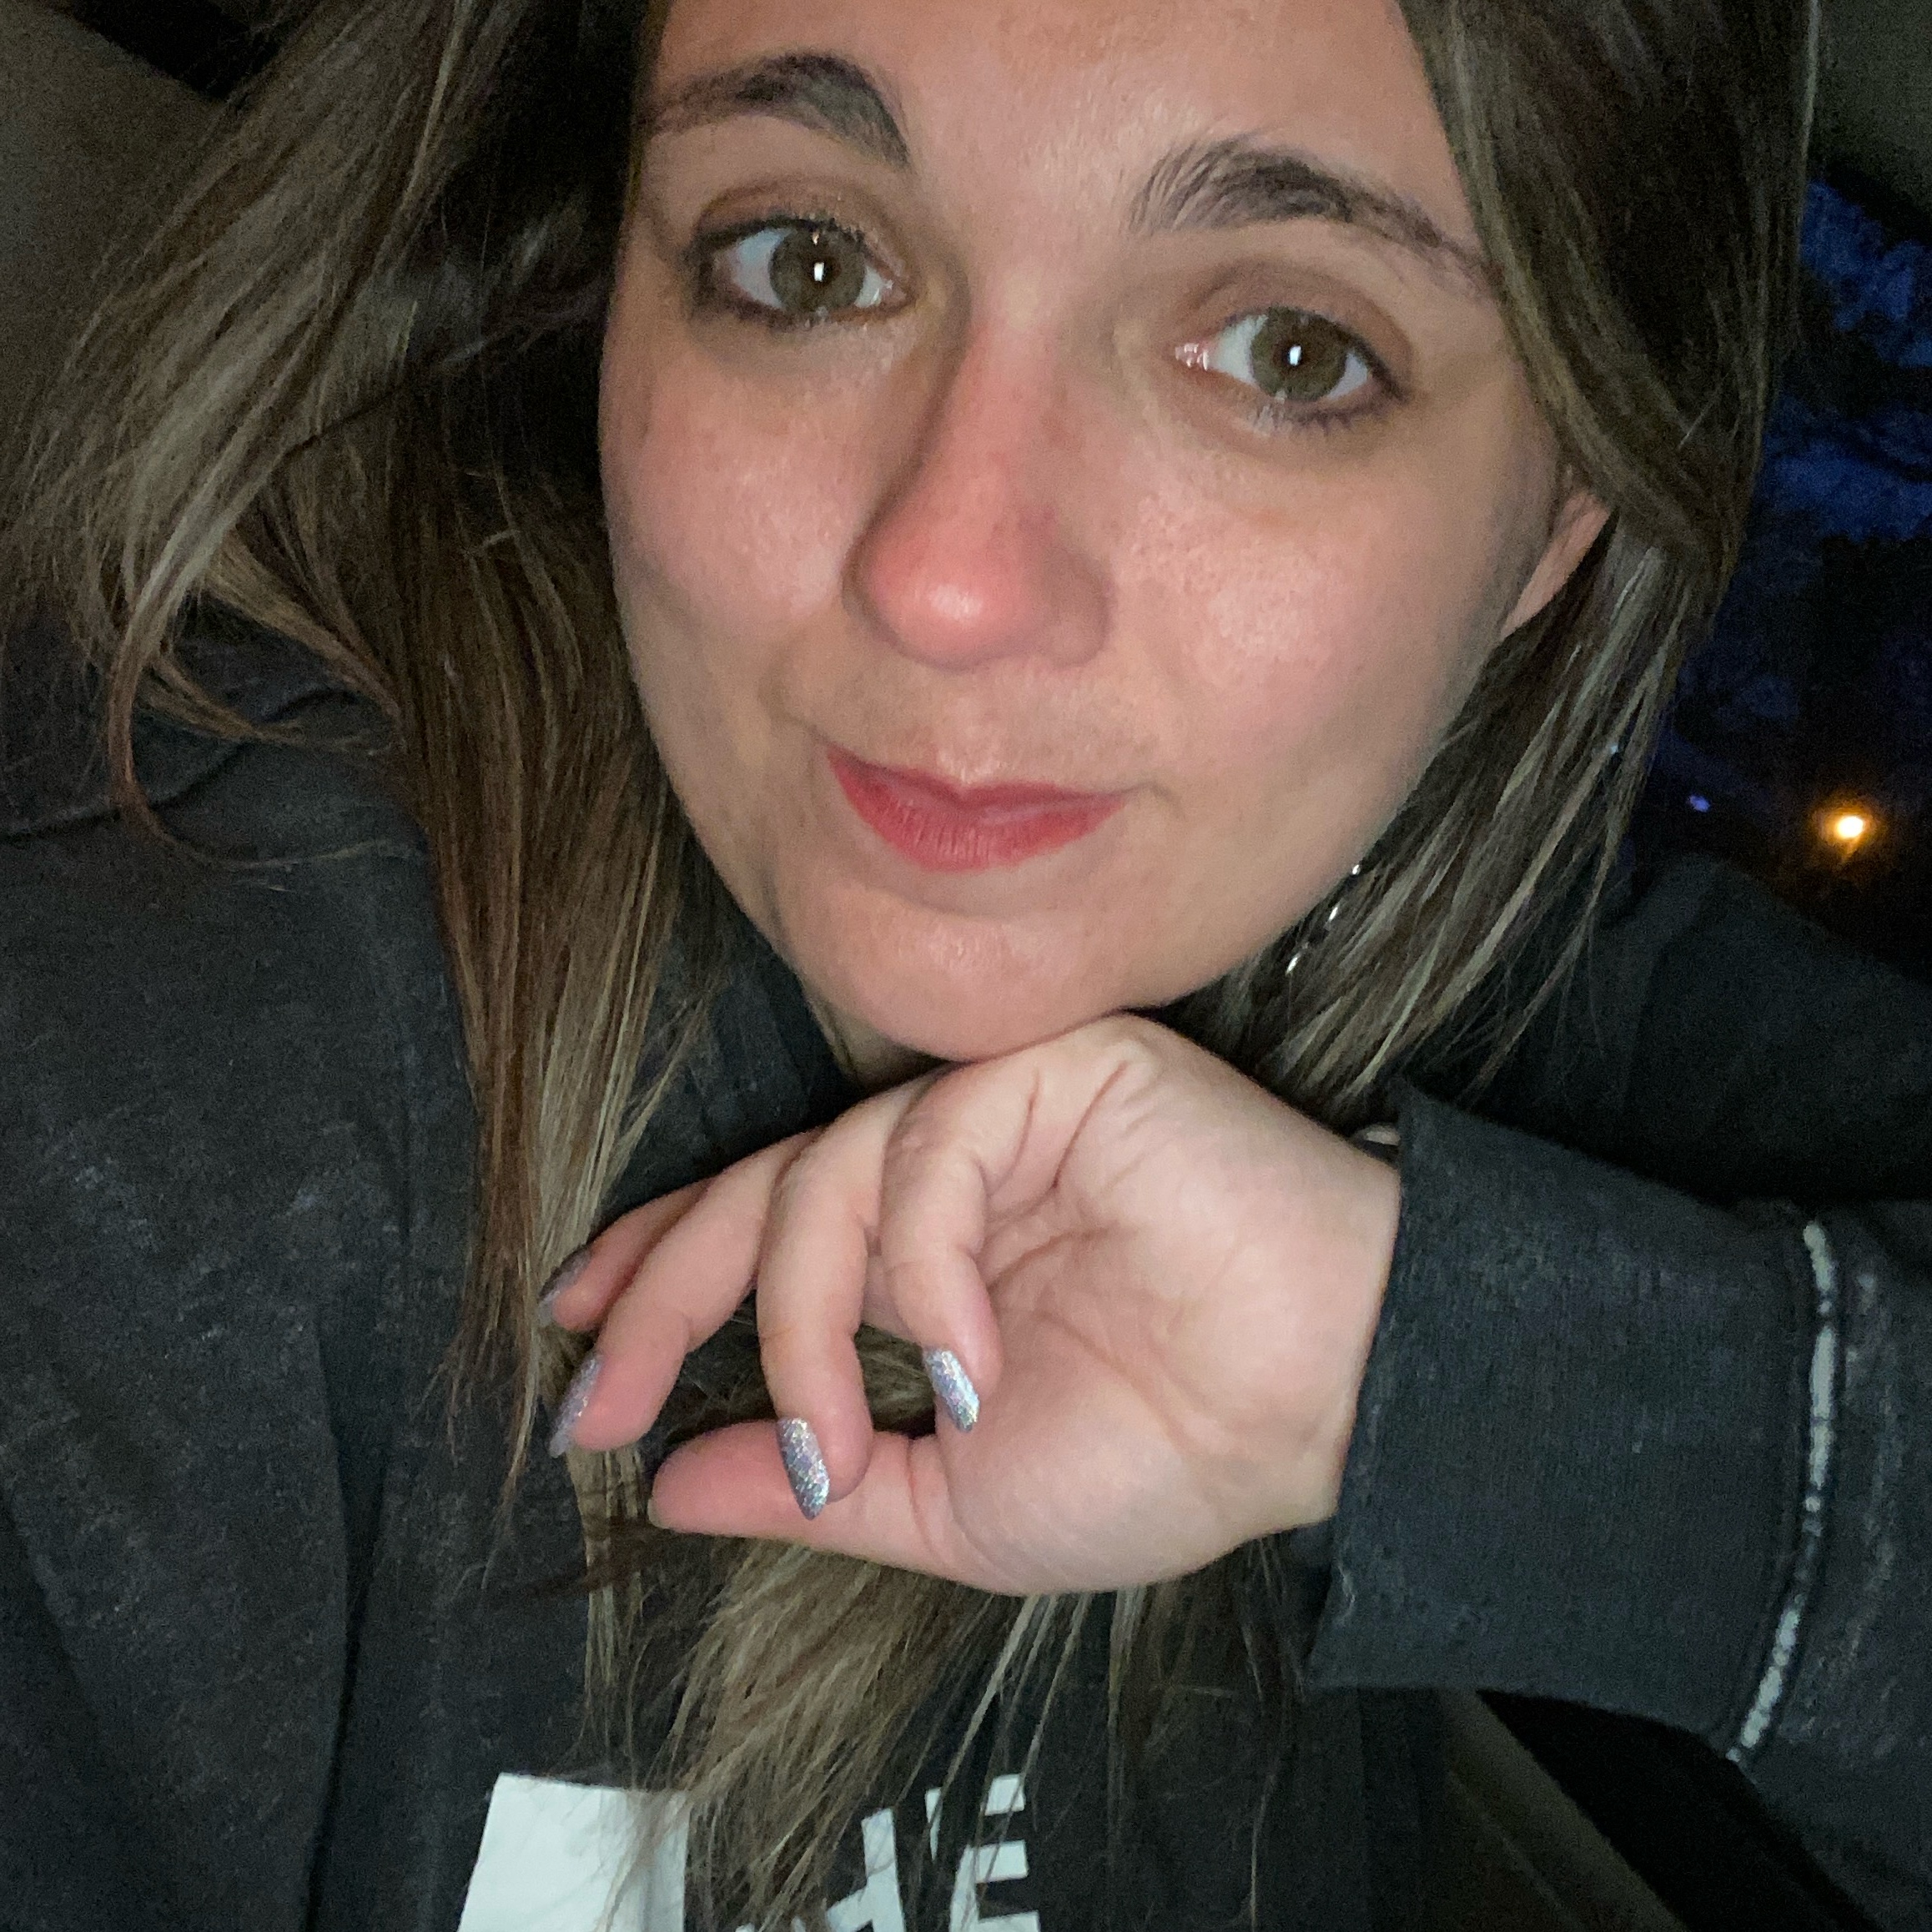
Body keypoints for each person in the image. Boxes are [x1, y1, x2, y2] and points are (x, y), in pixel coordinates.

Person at [1, 0, 1926, 1928]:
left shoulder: (1519, 1026)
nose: (949, 578)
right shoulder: (157, 1078)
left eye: (1287, 351)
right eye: (808, 264)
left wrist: (1435, 1382)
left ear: (1558, 519)